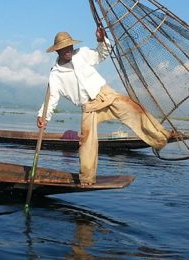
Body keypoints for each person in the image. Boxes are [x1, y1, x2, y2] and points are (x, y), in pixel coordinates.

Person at [37, 27, 171, 185]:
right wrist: (43, 116)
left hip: (105, 94)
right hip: (89, 106)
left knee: (135, 110)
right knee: (87, 143)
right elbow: (51, 98)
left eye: (69, 46)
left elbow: (102, 54)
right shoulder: (55, 74)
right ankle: (87, 179)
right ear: (57, 51)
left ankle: (161, 137)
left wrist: (101, 40)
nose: (68, 50)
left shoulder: (82, 54)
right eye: (64, 48)